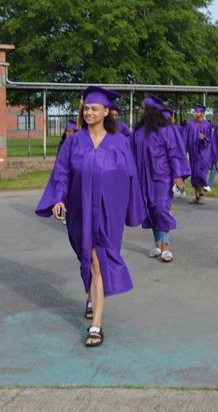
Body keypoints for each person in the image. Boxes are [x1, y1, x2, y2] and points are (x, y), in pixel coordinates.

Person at [35, 86, 145, 347]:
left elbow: (131, 177)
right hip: (80, 209)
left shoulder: (120, 142)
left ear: (107, 111)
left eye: (94, 108)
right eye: (86, 108)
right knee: (87, 256)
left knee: (98, 261)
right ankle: (91, 294)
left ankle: (96, 324)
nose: (89, 112)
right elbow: (62, 174)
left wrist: (132, 209)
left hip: (109, 211)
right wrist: (58, 199)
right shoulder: (74, 141)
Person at [133, 94, 190, 264]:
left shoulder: (167, 129)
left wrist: (178, 176)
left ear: (150, 111)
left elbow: (176, 154)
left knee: (161, 208)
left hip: (162, 177)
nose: (139, 110)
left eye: (143, 108)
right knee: (150, 209)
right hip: (144, 177)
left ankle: (166, 246)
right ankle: (157, 245)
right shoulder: (139, 131)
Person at [183, 104, 212, 205]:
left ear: (202, 113)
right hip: (193, 153)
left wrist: (204, 139)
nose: (195, 113)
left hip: (203, 153)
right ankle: (197, 196)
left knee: (200, 173)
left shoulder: (207, 125)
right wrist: (184, 151)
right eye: (195, 112)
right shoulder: (190, 125)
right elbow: (184, 139)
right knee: (194, 174)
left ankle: (202, 194)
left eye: (197, 112)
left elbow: (209, 139)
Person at [205, 110, 218, 192]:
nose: (217, 118)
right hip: (216, 149)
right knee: (214, 167)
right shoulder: (216, 127)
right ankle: (209, 185)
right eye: (217, 116)